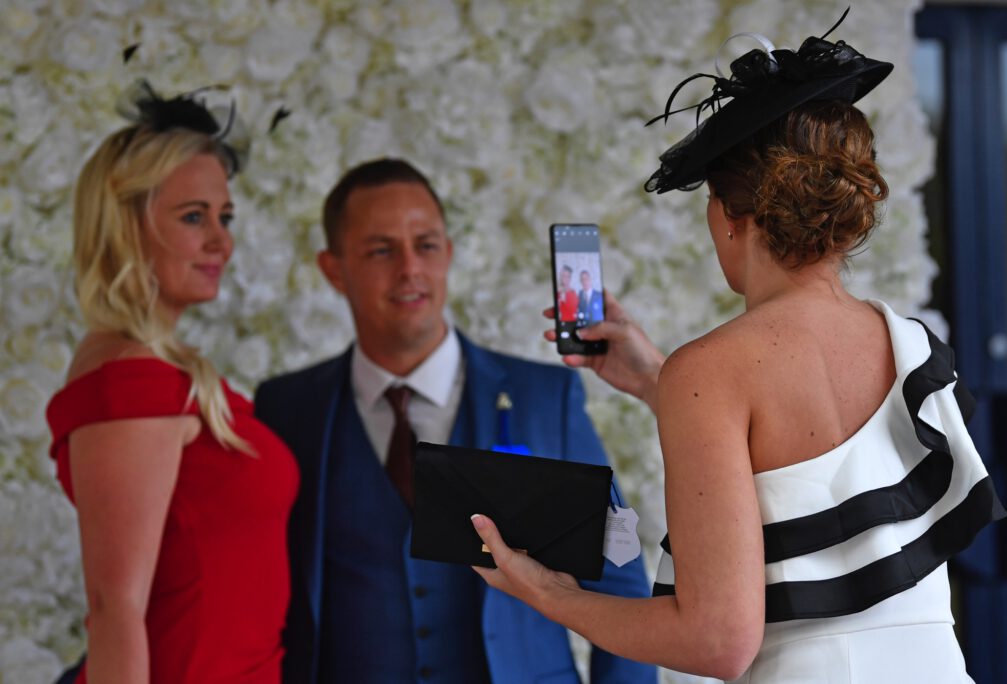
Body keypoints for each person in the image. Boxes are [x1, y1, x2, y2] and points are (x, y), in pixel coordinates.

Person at [468, 15, 1007, 683]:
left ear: (728, 217)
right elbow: (816, 472)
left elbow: (717, 641)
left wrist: (548, 594)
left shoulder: (712, 372)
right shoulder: (914, 344)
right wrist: (656, 380)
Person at [253, 158, 657, 684]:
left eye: (425, 245)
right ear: (334, 269)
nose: (409, 269)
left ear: (448, 253)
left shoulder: (543, 397)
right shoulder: (287, 409)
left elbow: (620, 573)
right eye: (381, 250)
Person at [45, 82, 298, 683]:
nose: (221, 240)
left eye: (224, 216)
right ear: (125, 225)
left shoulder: (160, 371)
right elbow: (115, 611)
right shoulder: (130, 380)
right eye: (193, 217)